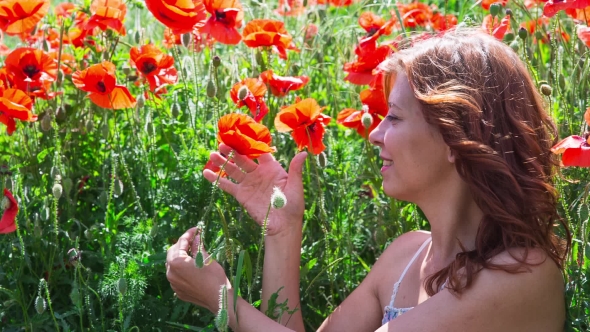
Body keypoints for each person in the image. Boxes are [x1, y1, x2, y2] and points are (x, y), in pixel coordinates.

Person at [166, 28, 571, 332]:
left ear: (456, 137)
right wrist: (283, 230)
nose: (375, 134)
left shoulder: (521, 274)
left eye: (393, 117)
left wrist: (223, 300)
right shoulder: (405, 256)